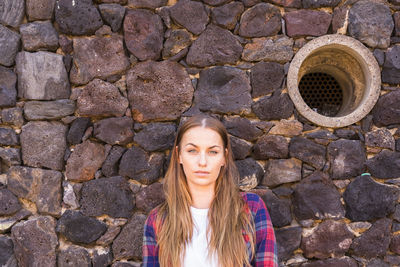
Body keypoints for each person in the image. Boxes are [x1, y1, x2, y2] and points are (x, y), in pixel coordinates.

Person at [142, 114, 278, 267]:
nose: (202, 162)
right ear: (179, 155)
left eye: (212, 152)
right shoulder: (157, 220)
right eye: (192, 151)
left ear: (224, 157)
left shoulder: (251, 208)